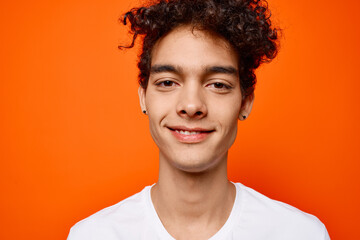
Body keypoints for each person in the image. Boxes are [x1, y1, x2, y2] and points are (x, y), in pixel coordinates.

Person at [67, 0, 330, 239]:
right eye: (168, 82)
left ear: (245, 101)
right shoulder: (92, 235)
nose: (191, 106)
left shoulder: (301, 233)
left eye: (217, 84)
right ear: (144, 97)